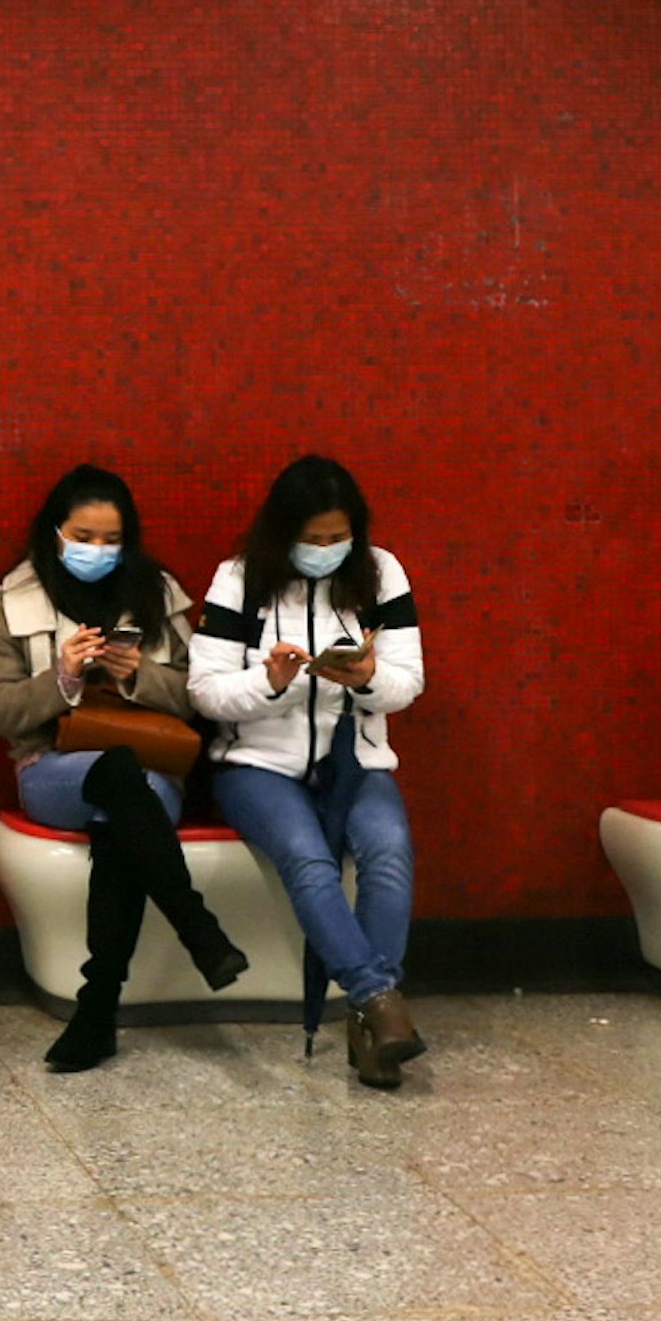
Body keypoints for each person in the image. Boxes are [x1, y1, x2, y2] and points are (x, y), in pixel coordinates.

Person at [0, 464, 248, 1071]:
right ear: (55, 533)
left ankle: (97, 1011)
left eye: (111, 540)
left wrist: (141, 677)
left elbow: (203, 698)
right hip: (52, 770)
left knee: (121, 815)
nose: (98, 551)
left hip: (153, 773)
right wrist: (63, 677)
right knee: (118, 779)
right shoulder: (12, 602)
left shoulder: (160, 594)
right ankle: (197, 927)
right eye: (84, 536)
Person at [187, 455, 427, 1089]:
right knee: (309, 857)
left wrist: (368, 677)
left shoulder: (381, 574)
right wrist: (271, 684)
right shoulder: (238, 579)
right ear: (282, 532)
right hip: (256, 765)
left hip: (356, 757)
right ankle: (378, 999)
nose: (325, 550)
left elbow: (408, 683)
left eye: (337, 539)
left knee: (389, 850)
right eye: (311, 539)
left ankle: (371, 1025)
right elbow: (206, 692)